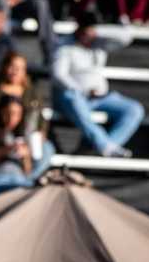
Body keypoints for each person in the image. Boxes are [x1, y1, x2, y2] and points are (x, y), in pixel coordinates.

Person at [51, 12, 143, 157]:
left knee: (134, 109)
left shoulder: (100, 42)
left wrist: (98, 31)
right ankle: (104, 146)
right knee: (72, 98)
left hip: (101, 97)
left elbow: (127, 36)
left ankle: (107, 146)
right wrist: (83, 90)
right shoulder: (64, 46)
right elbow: (58, 75)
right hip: (76, 97)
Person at [0, 52, 55, 180]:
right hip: (1, 136)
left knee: (47, 149)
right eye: (12, 66)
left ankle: (29, 179)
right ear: (4, 67)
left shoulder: (32, 92)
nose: (15, 71)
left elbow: (41, 120)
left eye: (20, 68)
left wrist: (36, 138)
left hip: (28, 137)